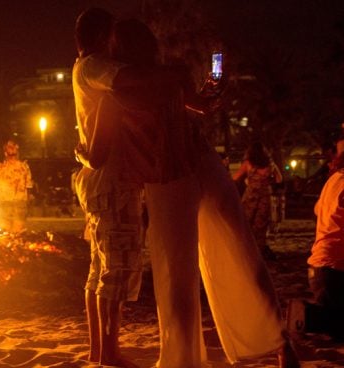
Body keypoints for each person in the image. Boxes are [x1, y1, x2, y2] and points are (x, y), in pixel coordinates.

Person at [78, 17, 299, 368]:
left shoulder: (126, 90)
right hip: (196, 166)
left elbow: (100, 150)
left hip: (169, 179)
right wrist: (211, 72)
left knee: (177, 276)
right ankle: (278, 343)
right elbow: (204, 104)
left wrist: (213, 83)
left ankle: (184, 359)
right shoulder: (159, 78)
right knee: (239, 249)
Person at [71, 7, 160, 367]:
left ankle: (100, 350)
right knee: (116, 272)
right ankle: (110, 352)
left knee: (100, 270)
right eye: (113, 36)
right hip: (112, 180)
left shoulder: (85, 71)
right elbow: (127, 79)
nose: (116, 45)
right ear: (99, 37)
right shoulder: (96, 69)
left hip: (98, 180)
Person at [286, 152, 344, 341]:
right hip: (335, 270)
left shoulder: (334, 180)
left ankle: (305, 317)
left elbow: (318, 209)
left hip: (320, 268)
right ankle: (304, 316)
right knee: (337, 325)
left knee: (336, 325)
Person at [232, 141, 283, 260]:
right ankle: (258, 253)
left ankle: (244, 252)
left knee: (245, 223)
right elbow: (279, 179)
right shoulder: (270, 164)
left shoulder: (248, 164)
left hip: (251, 196)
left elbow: (235, 177)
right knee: (261, 226)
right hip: (265, 196)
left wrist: (247, 181)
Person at [0, 140, 33, 233]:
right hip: (20, 200)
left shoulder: (1, 168)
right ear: (17, 153)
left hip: (5, 200)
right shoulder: (24, 167)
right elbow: (28, 185)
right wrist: (28, 199)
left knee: (6, 228)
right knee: (18, 229)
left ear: (5, 153)